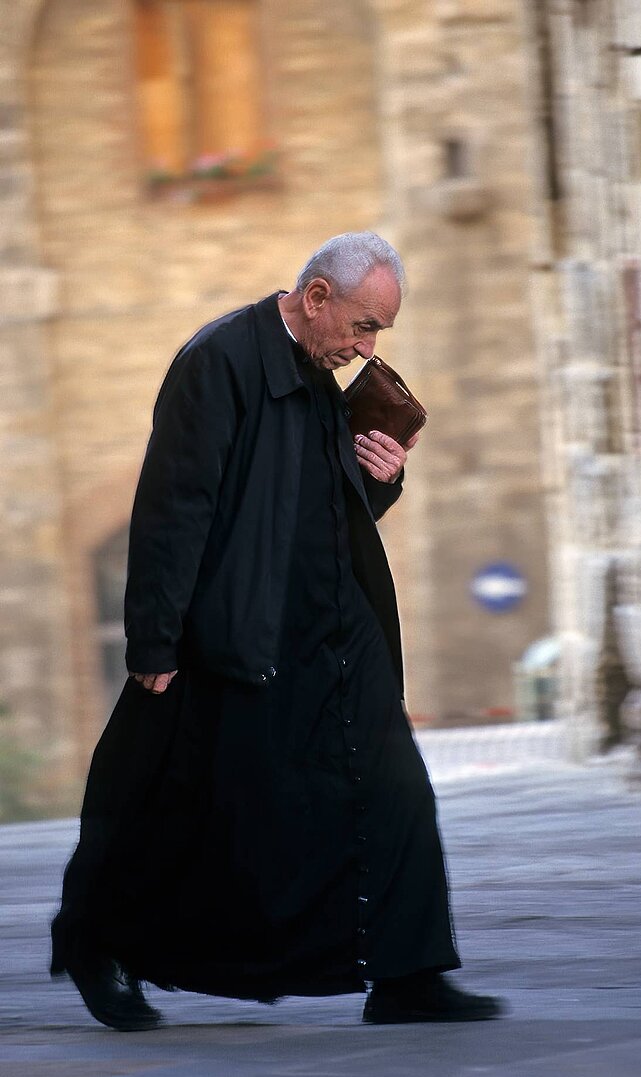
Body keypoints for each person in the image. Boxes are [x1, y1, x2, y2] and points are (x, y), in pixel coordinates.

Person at [50, 232, 503, 1029]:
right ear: (317, 297)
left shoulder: (323, 374)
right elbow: (174, 506)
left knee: (396, 790)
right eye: (363, 326)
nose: (368, 348)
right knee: (183, 805)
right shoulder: (218, 362)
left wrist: (380, 478)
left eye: (378, 332)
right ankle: (100, 946)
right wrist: (154, 636)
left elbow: (327, 509)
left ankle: (409, 973)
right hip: (247, 630)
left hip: (340, 629)